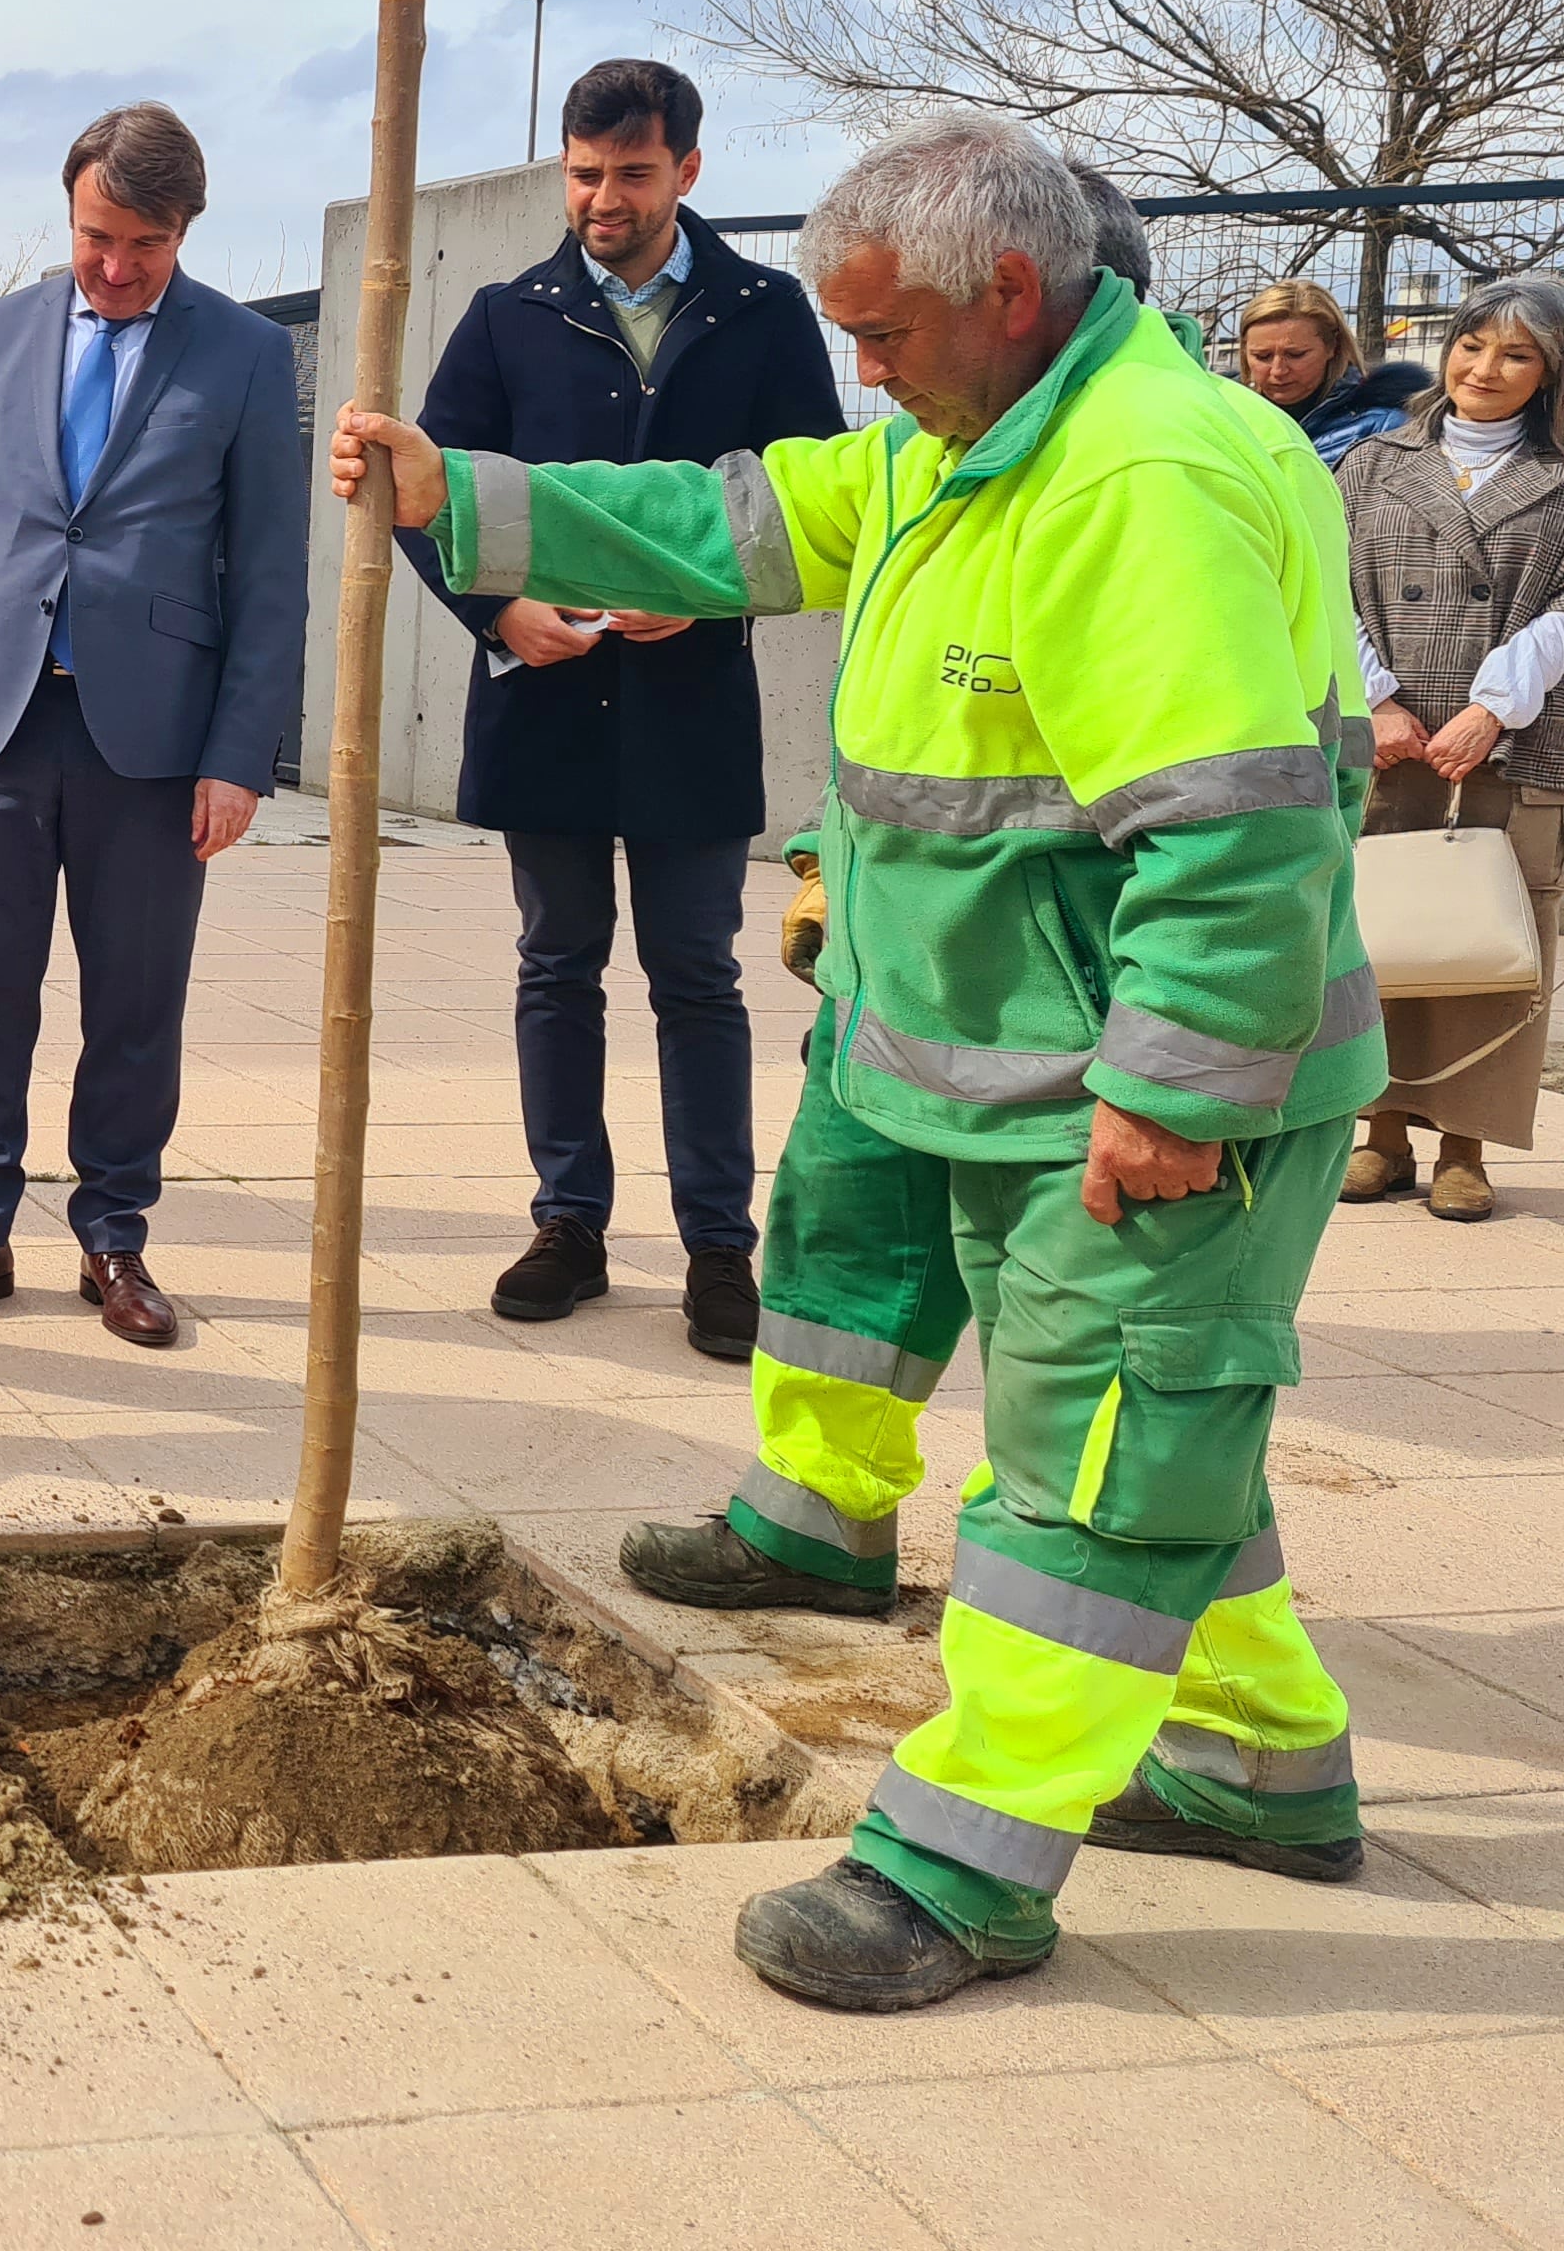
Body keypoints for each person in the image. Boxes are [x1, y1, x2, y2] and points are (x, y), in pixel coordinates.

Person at [337, 109, 1377, 2012]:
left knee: (1098, 1464)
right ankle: (1254, 1763)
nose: (860, 372)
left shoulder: (1133, 476)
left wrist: (1166, 1081)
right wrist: (455, 495)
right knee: (1114, 1412)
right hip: (963, 1019)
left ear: (1006, 291)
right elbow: (738, 517)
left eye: (882, 333)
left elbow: (1233, 827)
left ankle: (964, 1855)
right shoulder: (952, 439)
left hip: (1129, 1083)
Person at [392, 60, 845, 1359]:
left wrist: (709, 600)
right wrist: (499, 614)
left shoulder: (764, 312)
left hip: (693, 704)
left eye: (631, 174)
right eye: (584, 172)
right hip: (543, 699)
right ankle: (568, 1225)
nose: (602, 197)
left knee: (698, 974)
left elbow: (813, 495)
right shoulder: (505, 315)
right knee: (556, 966)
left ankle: (718, 1249)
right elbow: (426, 491)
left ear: (687, 171)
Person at [0, 100, 303, 1347]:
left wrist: (241, 756)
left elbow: (270, 570)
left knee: (135, 995)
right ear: (70, 213)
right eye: (96, 237)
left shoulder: (242, 354)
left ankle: (114, 1236)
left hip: (158, 741)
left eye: (145, 246)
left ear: (186, 232)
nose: (115, 268)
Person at [1338, 280, 1564, 1223]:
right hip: (1393, 737)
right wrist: (1376, 699)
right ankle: (1380, 1130)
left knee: (1493, 938)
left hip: (1515, 735)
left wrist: (1495, 706)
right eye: (1473, 345)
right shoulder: (1372, 461)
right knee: (1381, 929)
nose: (1484, 369)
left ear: (1548, 372)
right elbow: (1322, 589)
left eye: (1516, 355)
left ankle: (1467, 1142)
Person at [1242, 279, 1430, 466]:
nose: (1278, 370)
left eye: (1296, 354)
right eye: (1262, 356)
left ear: (1333, 346)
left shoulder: (1385, 427)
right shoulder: (1227, 415)